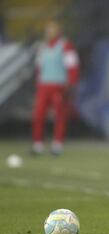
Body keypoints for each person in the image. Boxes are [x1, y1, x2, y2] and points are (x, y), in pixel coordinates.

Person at [32, 20, 80, 155]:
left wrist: (70, 84)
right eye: (47, 30)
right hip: (43, 86)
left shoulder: (65, 45)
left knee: (59, 115)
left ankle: (57, 144)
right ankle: (38, 144)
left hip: (59, 86)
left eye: (52, 29)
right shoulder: (41, 47)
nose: (49, 32)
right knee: (38, 114)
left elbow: (73, 66)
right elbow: (39, 68)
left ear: (58, 31)